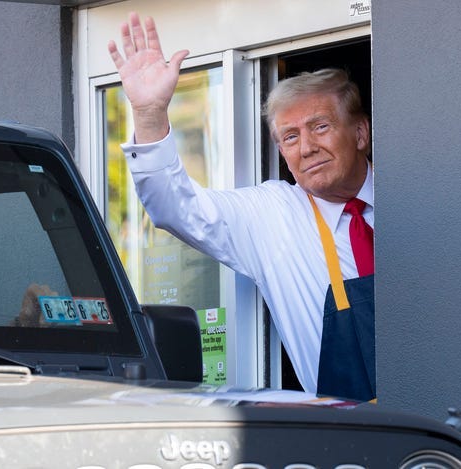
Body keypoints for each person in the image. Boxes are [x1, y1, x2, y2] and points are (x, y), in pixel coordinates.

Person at [108, 12, 375, 401]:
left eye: (320, 127)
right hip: (353, 438)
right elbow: (173, 206)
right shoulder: (272, 215)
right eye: (290, 137)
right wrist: (150, 115)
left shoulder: (413, 199)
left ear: (360, 132)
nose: (306, 147)